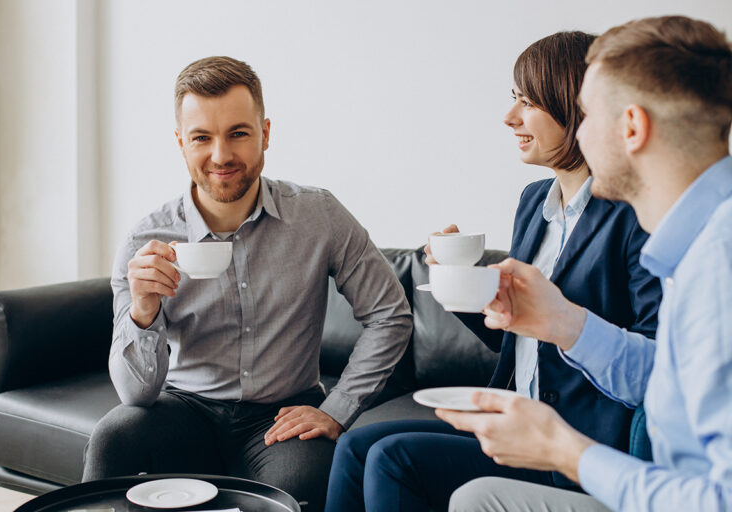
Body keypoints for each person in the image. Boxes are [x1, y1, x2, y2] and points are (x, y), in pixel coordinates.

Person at [324, 31, 662, 512]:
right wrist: (459, 285)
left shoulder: (633, 215)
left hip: (576, 440)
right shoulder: (533, 204)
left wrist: (560, 318)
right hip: (513, 412)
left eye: (527, 102)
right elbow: (515, 338)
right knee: (356, 447)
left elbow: (653, 361)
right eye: (513, 100)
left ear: (574, 106)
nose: (510, 118)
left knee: (393, 459)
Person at [81, 56, 413, 511]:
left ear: (266, 134)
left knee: (303, 485)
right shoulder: (146, 241)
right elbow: (137, 394)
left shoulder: (319, 216)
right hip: (186, 407)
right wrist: (143, 310)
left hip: (282, 412)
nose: (221, 156)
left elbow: (389, 315)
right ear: (181, 143)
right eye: (202, 138)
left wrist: (336, 409)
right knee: (112, 439)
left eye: (238, 133)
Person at [437, 15, 732, 512]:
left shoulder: (718, 264)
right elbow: (664, 378)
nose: (581, 133)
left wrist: (566, 452)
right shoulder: (694, 244)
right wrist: (564, 323)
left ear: (631, 127)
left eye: (588, 115)